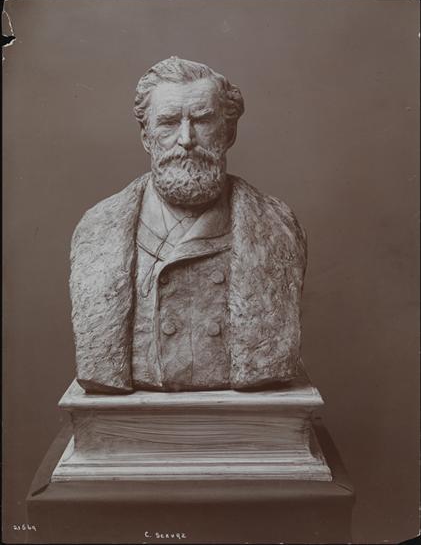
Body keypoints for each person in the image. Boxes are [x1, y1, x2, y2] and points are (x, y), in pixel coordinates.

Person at [70, 57, 307, 393]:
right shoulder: (97, 230)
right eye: (168, 123)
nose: (186, 139)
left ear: (228, 133)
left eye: (202, 120)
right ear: (146, 136)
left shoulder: (276, 226)